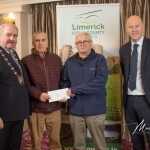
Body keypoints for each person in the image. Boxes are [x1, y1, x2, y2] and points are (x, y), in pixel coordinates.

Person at [61, 31, 108, 150]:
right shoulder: (70, 62)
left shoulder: (100, 59)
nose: (82, 44)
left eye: (85, 41)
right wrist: (63, 93)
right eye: (79, 42)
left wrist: (75, 89)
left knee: (100, 146)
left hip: (96, 110)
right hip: (75, 111)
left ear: (91, 43)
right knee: (78, 146)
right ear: (76, 45)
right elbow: (64, 82)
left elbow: (99, 82)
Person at [21, 31, 64, 150]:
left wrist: (63, 96)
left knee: (56, 143)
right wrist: (38, 95)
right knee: (36, 144)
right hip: (36, 109)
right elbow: (25, 84)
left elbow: (62, 80)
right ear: (33, 43)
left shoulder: (56, 59)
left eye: (43, 40)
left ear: (47, 42)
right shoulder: (25, 61)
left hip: (54, 108)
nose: (40, 43)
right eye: (37, 40)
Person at [119, 15, 150, 149]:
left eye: (137, 26)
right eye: (130, 27)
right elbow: (125, 72)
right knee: (136, 139)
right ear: (126, 29)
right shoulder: (123, 49)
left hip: (146, 101)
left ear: (143, 27)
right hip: (129, 101)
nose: (134, 29)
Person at [0, 23, 30, 150]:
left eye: (15, 35)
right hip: (3, 117)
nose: (12, 38)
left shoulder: (13, 53)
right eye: (8, 35)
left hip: (17, 114)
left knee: (14, 146)